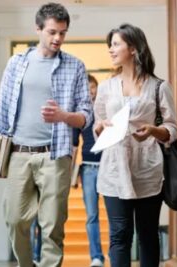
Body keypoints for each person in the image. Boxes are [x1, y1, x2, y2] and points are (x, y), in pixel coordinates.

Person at [0, 3, 92, 267]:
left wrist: (64, 117)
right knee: (14, 218)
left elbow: (85, 114)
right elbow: (3, 108)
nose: (57, 38)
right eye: (52, 32)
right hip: (18, 154)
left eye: (62, 33)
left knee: (53, 226)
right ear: (38, 29)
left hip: (55, 155)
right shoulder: (17, 63)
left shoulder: (75, 66)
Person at [93, 23, 177, 267]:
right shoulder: (106, 87)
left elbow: (172, 128)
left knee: (147, 235)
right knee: (119, 235)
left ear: (133, 48)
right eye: (110, 45)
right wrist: (100, 128)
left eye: (116, 44)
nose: (110, 49)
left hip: (147, 168)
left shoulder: (158, 86)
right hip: (114, 167)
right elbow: (98, 124)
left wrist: (153, 130)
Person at [72, 74, 105, 267]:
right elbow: (74, 143)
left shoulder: (105, 110)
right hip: (88, 169)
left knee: (113, 213)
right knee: (91, 215)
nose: (91, 91)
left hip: (107, 167)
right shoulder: (80, 114)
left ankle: (114, 254)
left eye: (93, 87)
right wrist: (72, 175)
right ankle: (96, 257)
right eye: (87, 88)